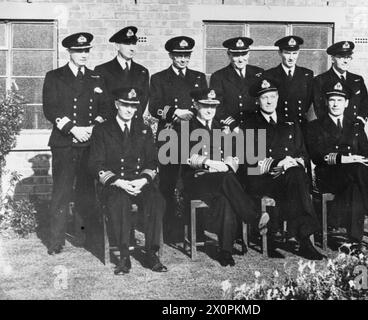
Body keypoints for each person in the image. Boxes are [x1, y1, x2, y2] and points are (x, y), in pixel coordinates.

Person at [306, 81, 368, 252]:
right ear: (326, 102)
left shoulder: (356, 127)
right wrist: (346, 159)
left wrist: (366, 161)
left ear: (347, 103)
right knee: (357, 170)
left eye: (339, 100)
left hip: (353, 179)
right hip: (328, 177)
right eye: (332, 100)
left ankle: (353, 243)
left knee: (355, 188)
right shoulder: (315, 126)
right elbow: (317, 155)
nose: (335, 104)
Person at [182, 88, 269, 266]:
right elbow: (184, 156)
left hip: (221, 182)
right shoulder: (187, 126)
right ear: (196, 105)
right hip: (197, 180)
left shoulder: (221, 128)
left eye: (213, 107)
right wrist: (212, 164)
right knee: (225, 178)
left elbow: (233, 155)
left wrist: (228, 164)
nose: (209, 111)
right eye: (205, 106)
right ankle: (253, 216)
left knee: (226, 200)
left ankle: (225, 252)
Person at [242, 77, 325, 260]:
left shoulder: (289, 121)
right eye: (265, 98)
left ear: (278, 97)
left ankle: (285, 236)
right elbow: (249, 161)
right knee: (295, 180)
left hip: (289, 176)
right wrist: (279, 163)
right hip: (262, 178)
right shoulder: (250, 123)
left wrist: (294, 162)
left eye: (273, 96)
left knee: (295, 176)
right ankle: (303, 240)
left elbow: (303, 153)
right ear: (257, 100)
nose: (270, 101)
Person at [42, 32, 109, 255]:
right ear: (69, 52)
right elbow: (50, 108)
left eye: (86, 50)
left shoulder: (95, 78)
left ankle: (83, 236)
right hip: (64, 143)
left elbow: (105, 109)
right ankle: (56, 240)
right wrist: (73, 129)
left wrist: (91, 129)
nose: (83, 54)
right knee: (61, 191)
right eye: (79, 51)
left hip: (89, 142)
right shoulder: (55, 76)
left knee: (86, 191)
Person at [88, 87, 167, 275]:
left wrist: (143, 181)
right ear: (117, 105)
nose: (129, 110)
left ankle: (151, 253)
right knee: (119, 202)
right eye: (125, 105)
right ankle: (124, 256)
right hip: (115, 184)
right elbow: (95, 163)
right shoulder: (102, 130)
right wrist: (118, 182)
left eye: (133, 106)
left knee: (156, 200)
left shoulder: (144, 130)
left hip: (139, 182)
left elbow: (152, 161)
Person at [148, 36, 208, 238]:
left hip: (194, 137)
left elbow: (204, 104)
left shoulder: (199, 77)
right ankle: (170, 229)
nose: (183, 59)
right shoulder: (158, 78)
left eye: (186, 55)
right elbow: (154, 107)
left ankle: (196, 230)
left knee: (194, 182)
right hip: (170, 137)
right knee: (168, 183)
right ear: (171, 56)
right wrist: (175, 111)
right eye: (179, 55)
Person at [209, 37, 263, 131]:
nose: (241, 59)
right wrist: (233, 125)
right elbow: (217, 106)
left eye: (244, 54)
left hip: (255, 126)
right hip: (230, 128)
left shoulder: (258, 73)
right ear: (229, 55)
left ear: (249, 54)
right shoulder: (218, 76)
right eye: (236, 55)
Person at [95, 26, 149, 118]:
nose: (132, 48)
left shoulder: (142, 71)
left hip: (134, 124)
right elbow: (102, 101)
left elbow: (143, 100)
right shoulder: (102, 70)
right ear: (117, 46)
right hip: (111, 124)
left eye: (134, 44)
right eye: (127, 44)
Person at [313, 41, 368, 126]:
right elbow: (319, 107)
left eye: (348, 57)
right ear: (332, 59)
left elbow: (365, 103)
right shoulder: (321, 80)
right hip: (331, 130)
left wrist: (360, 121)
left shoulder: (357, 80)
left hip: (354, 128)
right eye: (341, 57)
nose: (345, 61)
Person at [263, 36, 314, 128]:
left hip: (301, 126)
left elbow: (308, 101)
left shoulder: (307, 74)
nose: (291, 58)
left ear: (298, 53)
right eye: (287, 53)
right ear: (280, 53)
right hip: (279, 126)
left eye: (294, 53)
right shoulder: (270, 75)